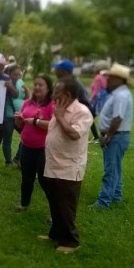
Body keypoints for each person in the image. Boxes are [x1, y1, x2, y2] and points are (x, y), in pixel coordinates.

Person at [41, 77, 93, 254]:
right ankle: (55, 234)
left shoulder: (82, 112)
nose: (53, 94)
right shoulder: (59, 109)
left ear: (68, 94)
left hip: (69, 168)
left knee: (65, 206)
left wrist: (61, 117)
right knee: (55, 203)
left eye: (57, 91)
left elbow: (74, 134)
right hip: (52, 163)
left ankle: (71, 242)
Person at [91, 63, 134, 209]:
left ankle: (104, 201)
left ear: (119, 79)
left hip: (116, 137)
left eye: (111, 77)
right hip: (117, 136)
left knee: (110, 170)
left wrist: (108, 136)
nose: (107, 79)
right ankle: (116, 195)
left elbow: (117, 118)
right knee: (115, 168)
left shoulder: (121, 95)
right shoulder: (118, 93)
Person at [13, 74, 54, 211]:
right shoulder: (27, 102)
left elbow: (55, 126)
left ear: (48, 88)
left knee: (45, 182)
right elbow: (21, 125)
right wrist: (19, 121)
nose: (37, 87)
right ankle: (24, 204)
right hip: (26, 146)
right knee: (27, 177)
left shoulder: (52, 105)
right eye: (35, 84)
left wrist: (36, 122)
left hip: (43, 148)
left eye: (40, 85)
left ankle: (55, 212)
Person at [53, 59, 98, 143]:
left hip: (74, 118)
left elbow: (86, 105)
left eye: (57, 69)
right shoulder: (60, 83)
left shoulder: (75, 85)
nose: (54, 71)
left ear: (63, 71)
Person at [2, 65, 29, 167]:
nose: (17, 76)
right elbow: (15, 94)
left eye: (19, 74)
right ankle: (8, 162)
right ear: (9, 74)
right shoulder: (4, 82)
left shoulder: (20, 82)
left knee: (26, 137)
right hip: (8, 115)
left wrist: (27, 91)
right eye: (15, 74)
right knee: (7, 139)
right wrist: (9, 86)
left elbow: (26, 98)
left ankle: (17, 158)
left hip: (20, 115)